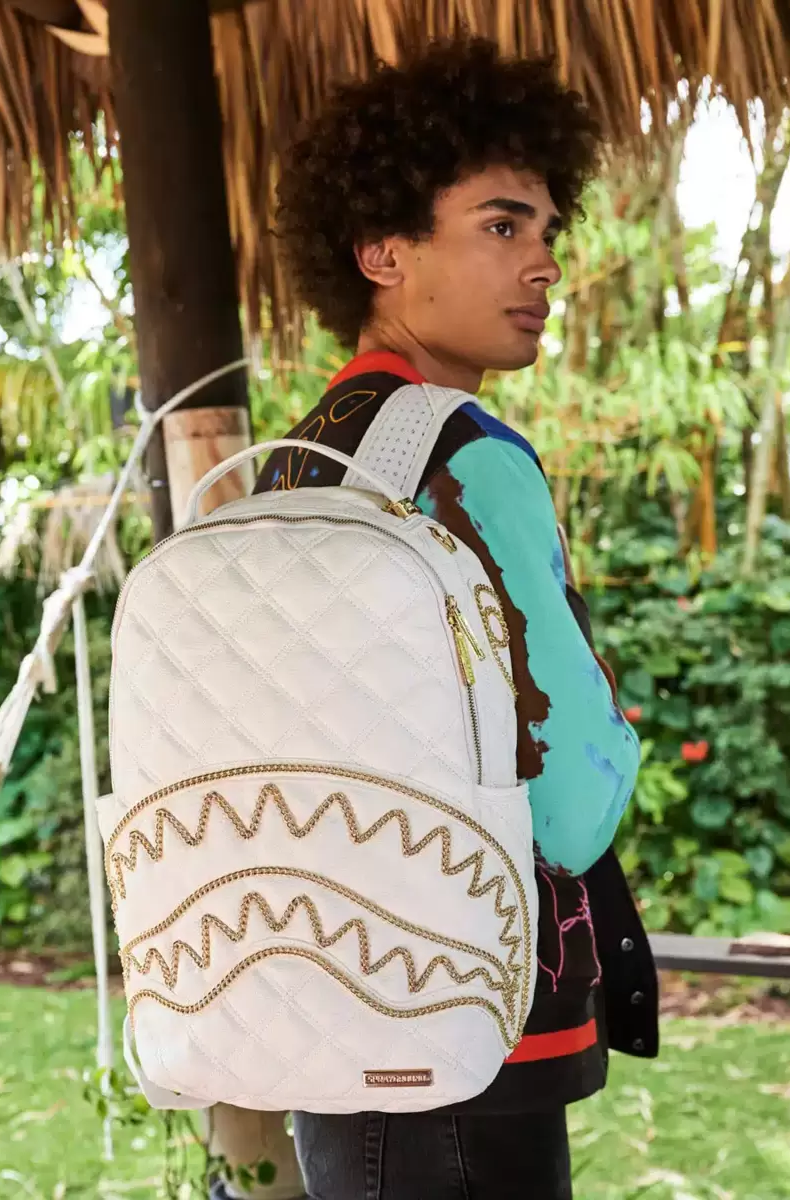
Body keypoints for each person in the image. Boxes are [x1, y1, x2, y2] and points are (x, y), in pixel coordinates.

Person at [247, 36, 658, 1200]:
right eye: (501, 224)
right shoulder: (467, 455)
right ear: (382, 251)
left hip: (323, 991)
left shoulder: (301, 461)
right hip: (471, 1026)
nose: (546, 265)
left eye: (547, 230)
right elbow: (569, 808)